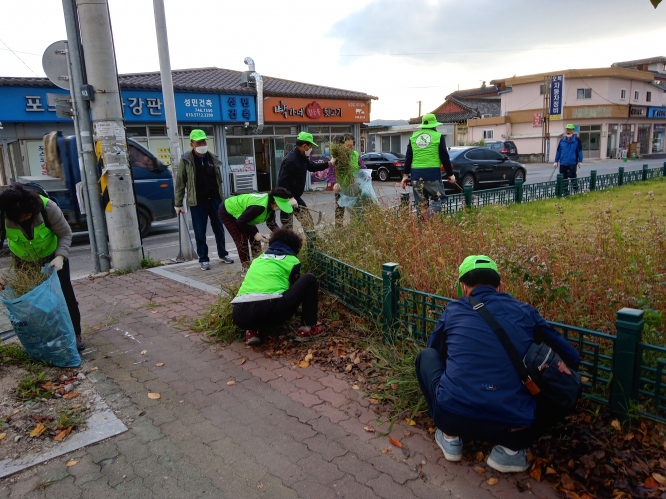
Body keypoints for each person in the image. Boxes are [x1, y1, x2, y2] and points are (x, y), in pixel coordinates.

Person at [415, 255, 580, 473]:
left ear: (463, 287)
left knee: (426, 356)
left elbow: (435, 351)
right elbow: (572, 357)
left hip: (453, 415)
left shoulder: (453, 310)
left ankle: (450, 437)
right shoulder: (525, 311)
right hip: (513, 426)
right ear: (500, 285)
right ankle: (510, 452)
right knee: (570, 385)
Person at [0, 184, 85, 351]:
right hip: (24, 259)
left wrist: (60, 256)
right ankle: (42, 337)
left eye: (28, 215)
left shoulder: (48, 208)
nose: (25, 218)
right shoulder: (2, 215)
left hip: (53, 255)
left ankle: (75, 334)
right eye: (20, 217)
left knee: (65, 295)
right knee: (30, 300)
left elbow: (65, 233)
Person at [231, 228, 324, 346]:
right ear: (294, 247)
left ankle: (252, 331)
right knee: (309, 279)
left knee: (254, 293)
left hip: (240, 315)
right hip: (271, 311)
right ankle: (307, 329)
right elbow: (293, 289)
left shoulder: (257, 260)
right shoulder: (292, 261)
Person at [175, 129, 233, 270]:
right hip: (197, 201)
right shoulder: (186, 160)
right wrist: (178, 203)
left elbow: (219, 181)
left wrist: (222, 200)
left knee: (219, 229)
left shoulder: (213, 158)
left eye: (204, 142)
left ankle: (223, 253)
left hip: (215, 199)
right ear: (192, 144)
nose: (202, 144)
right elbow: (180, 182)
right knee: (200, 232)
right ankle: (203, 259)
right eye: (199, 142)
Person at [218, 187, 298, 270]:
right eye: (280, 206)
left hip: (244, 215)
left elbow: (271, 224)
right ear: (274, 203)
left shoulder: (271, 205)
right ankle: (246, 268)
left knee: (255, 240)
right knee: (242, 241)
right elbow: (240, 222)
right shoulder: (259, 207)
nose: (280, 208)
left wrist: (281, 235)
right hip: (228, 211)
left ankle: (257, 264)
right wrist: (255, 234)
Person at [401, 113, 456, 213]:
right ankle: (429, 215)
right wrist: (450, 174)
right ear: (434, 125)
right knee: (439, 199)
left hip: (416, 175)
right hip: (432, 174)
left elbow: (408, 157)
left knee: (421, 206)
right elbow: (444, 157)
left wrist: (405, 176)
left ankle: (423, 221)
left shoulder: (413, 137)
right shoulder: (438, 136)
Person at [277, 132, 332, 230]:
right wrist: (290, 197)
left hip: (295, 197)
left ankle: (311, 240)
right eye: (310, 147)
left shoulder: (303, 157)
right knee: (288, 226)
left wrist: (328, 164)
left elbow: (312, 167)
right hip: (286, 199)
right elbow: (282, 181)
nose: (311, 149)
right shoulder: (291, 160)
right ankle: (285, 239)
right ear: (304, 146)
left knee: (307, 222)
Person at [327, 134, 368, 228]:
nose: (350, 148)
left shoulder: (356, 155)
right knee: (339, 210)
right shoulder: (337, 157)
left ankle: (354, 228)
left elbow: (363, 168)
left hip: (354, 187)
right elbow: (330, 172)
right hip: (340, 188)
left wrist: (366, 177)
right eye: (347, 146)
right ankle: (339, 230)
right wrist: (335, 183)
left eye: (351, 146)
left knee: (355, 210)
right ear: (342, 145)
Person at [554, 124, 583, 192]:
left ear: (573, 131)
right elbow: (558, 151)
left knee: (572, 176)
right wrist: (556, 161)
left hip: (572, 162)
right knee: (563, 178)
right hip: (563, 163)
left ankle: (576, 190)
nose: (568, 131)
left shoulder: (577, 140)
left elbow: (579, 151)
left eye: (570, 130)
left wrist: (580, 161)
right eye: (567, 130)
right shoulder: (562, 141)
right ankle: (565, 192)